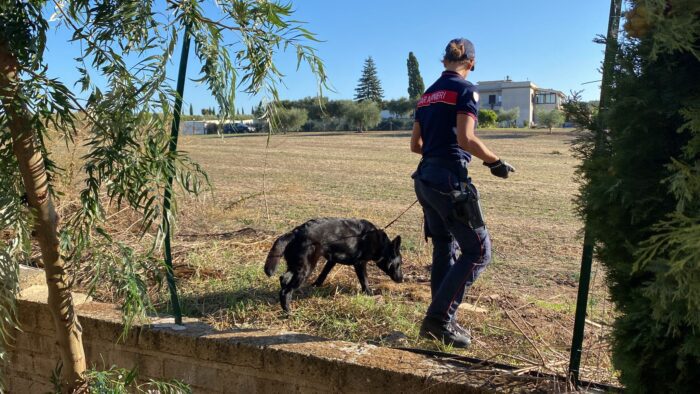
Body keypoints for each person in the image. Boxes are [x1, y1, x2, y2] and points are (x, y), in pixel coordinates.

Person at [410, 38, 515, 348]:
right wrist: (495, 162)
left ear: (445, 61)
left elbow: (415, 145)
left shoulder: (427, 95)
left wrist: (438, 154)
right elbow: (467, 139)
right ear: (471, 62)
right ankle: (438, 321)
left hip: (425, 179)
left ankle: (441, 317)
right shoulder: (466, 91)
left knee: (444, 246)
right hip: (449, 181)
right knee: (479, 252)